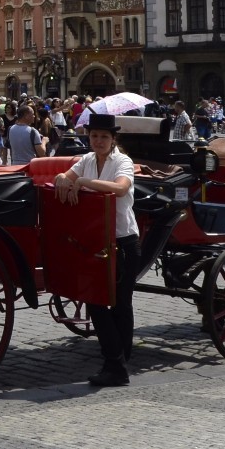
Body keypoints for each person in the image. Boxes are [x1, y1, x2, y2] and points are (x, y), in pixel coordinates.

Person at [54, 111, 138, 387]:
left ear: (113, 139)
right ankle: (118, 360)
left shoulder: (122, 161)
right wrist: (61, 178)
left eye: (104, 137)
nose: (98, 141)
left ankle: (117, 364)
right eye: (94, 136)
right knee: (99, 302)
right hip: (96, 241)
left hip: (122, 241)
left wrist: (83, 182)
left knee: (118, 304)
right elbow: (66, 174)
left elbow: (121, 189)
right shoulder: (87, 160)